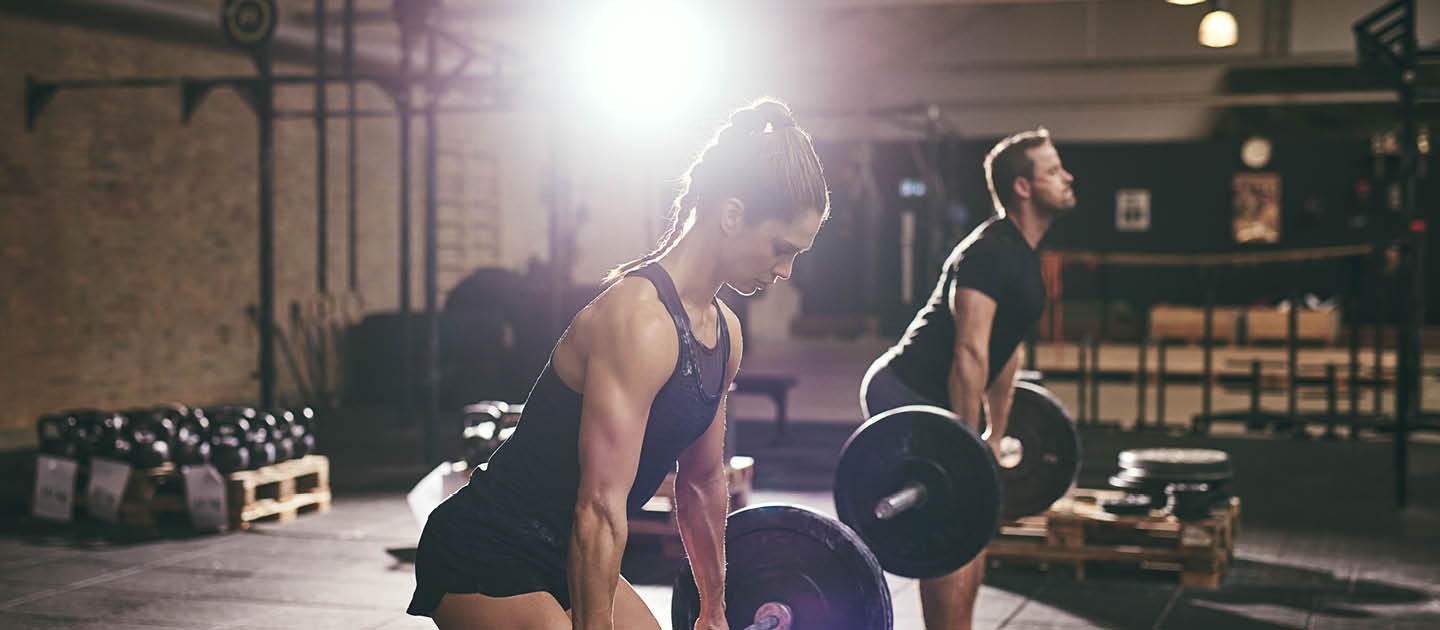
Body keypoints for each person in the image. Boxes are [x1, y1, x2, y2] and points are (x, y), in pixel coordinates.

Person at [407, 98, 830, 630]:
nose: (786, 270)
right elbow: (599, 507)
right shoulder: (640, 322)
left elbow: (700, 481)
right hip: (488, 546)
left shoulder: (725, 332)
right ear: (731, 215)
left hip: (566, 551)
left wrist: (713, 609)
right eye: (781, 247)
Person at [859, 128, 1074, 630]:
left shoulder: (1022, 255)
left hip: (946, 395)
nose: (1067, 178)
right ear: (1023, 187)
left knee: (975, 523)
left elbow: (1004, 353)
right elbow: (970, 350)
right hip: (905, 390)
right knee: (947, 522)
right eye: (1053, 171)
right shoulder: (989, 252)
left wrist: (995, 435)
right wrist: (966, 440)